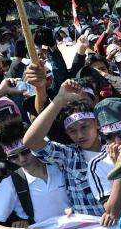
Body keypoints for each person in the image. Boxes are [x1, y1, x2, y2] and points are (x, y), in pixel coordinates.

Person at [23, 79, 105, 216]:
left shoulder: (115, 147)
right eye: (72, 131)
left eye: (84, 127)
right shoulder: (68, 156)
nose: (80, 135)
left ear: (96, 123)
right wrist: (59, 99)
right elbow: (31, 141)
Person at [0, 121, 69, 229]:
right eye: (13, 157)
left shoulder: (61, 166)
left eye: (26, 151)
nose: (21, 159)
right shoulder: (11, 184)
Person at [88, 98, 121, 226]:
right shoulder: (97, 165)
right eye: (108, 137)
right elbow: (114, 213)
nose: (116, 141)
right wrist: (119, 167)